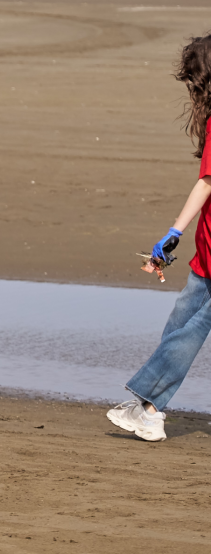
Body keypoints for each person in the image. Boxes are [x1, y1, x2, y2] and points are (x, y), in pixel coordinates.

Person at [108, 34, 211, 442]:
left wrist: (172, 232)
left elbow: (206, 182)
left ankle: (149, 409)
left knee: (190, 331)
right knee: (181, 323)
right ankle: (151, 407)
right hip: (207, 249)